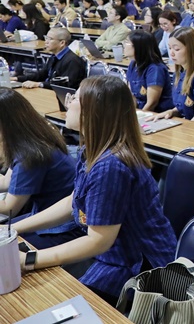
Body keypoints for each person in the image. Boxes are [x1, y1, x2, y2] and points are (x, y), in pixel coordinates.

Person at [13, 76, 177, 305]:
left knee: (51, 301)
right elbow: (73, 201)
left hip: (140, 269)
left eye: (75, 98)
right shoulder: (93, 151)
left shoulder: (110, 166)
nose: (68, 102)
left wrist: (30, 260)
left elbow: (98, 241)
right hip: (113, 255)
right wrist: (13, 228)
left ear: (93, 112)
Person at [0, 89, 76, 237]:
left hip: (61, 226)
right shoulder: (30, 138)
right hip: (45, 215)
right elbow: (6, 182)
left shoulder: (30, 154)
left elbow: (10, 209)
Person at [12, 27, 87, 89]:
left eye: (50, 39)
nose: (46, 42)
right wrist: (18, 78)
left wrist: (39, 84)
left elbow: (65, 85)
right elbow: (42, 74)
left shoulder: (72, 61)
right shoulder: (54, 56)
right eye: (46, 38)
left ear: (62, 43)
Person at [123, 31, 173, 112]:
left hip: (158, 113)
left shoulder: (155, 69)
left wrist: (139, 117)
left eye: (127, 42)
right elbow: (132, 96)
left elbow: (152, 103)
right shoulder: (133, 64)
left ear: (138, 46)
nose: (124, 45)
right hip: (141, 111)